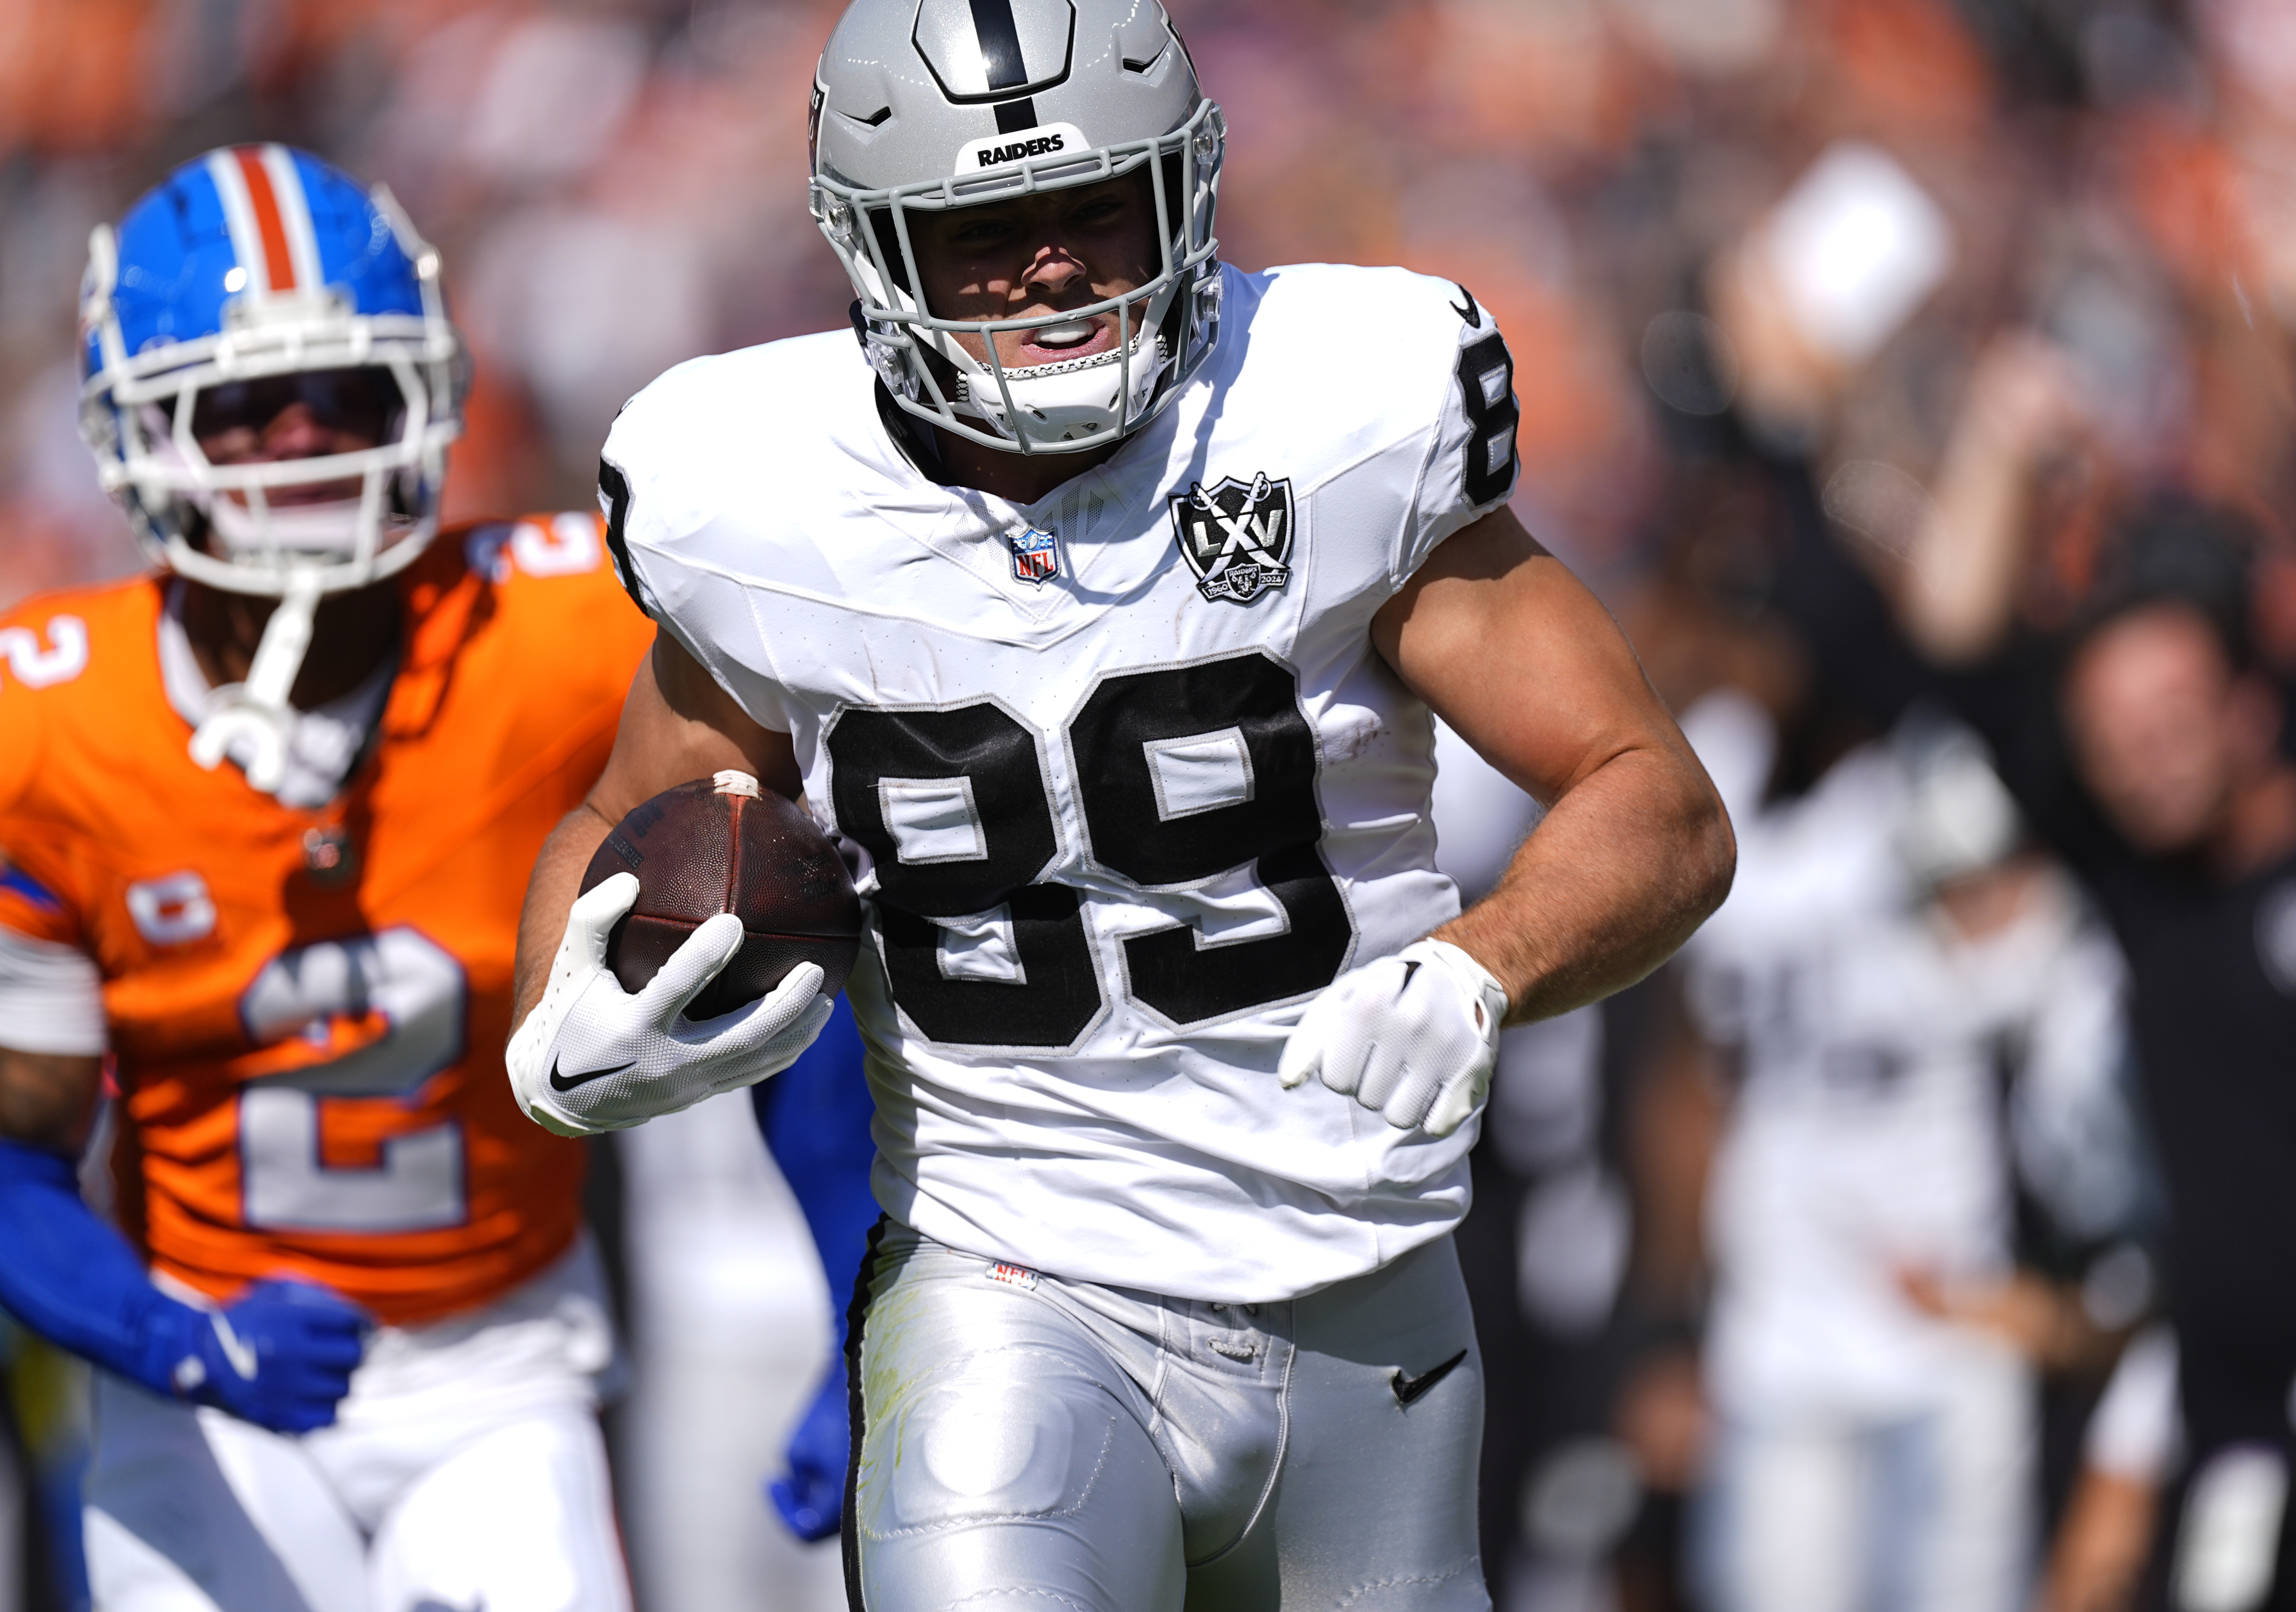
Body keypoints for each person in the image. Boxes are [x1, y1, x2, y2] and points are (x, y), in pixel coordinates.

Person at [504, 3, 1734, 1608]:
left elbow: (1662, 804)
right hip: (1008, 1271)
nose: (1053, 268)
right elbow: (618, 815)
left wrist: (1480, 967)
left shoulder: (1333, 410)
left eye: (1095, 209)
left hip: (1362, 1289)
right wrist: (557, 1024)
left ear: (1189, 188)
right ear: (873, 250)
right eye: (982, 231)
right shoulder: (758, 501)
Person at [0, 145, 655, 1611]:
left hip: (502, 1365)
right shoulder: (39, 731)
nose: (305, 438)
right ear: (144, 430)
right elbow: (1, 1169)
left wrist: (844, 1283)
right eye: (244, 409)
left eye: (348, 395)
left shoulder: (569, 636)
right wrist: (182, 1342)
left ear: (424, 398)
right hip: (202, 1354)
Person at [1904, 487, 2296, 1608]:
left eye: (2173, 721)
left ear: (2252, 708)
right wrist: (2011, 432)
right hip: (2235, 1433)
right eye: (2112, 741)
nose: (2146, 761)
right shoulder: (2144, 889)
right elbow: (1957, 639)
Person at [1683, 713, 2144, 1612]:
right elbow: (1691, 1079)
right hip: (1783, 1334)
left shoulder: (1932, 774)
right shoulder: (1736, 782)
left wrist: (2062, 1307)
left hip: (1948, 1332)